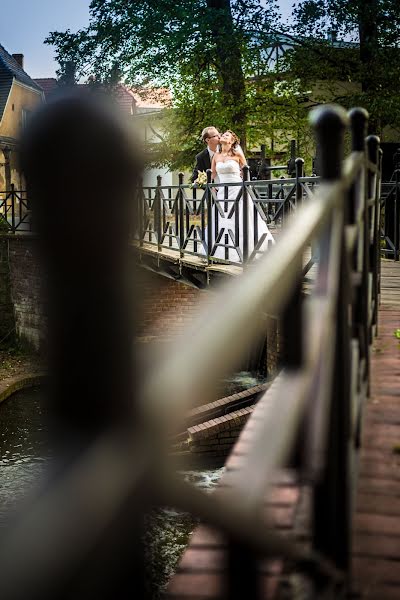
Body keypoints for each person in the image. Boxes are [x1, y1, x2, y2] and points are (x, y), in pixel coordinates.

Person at [210, 130, 274, 261]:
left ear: (232, 141)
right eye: (222, 135)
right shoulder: (216, 156)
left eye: (226, 135)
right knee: (223, 218)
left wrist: (245, 186)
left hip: (237, 190)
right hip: (223, 193)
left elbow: (246, 172)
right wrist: (203, 183)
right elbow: (212, 175)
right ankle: (222, 248)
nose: (223, 136)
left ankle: (246, 248)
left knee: (241, 217)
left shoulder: (237, 154)